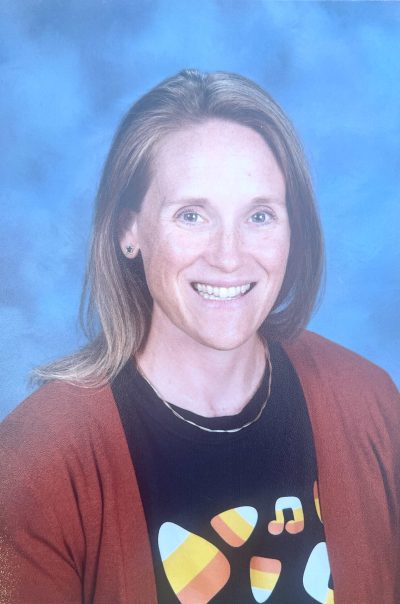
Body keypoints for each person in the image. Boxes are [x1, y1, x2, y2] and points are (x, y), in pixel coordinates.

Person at [0, 69, 399, 604]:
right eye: (192, 215)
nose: (229, 256)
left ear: (293, 227)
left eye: (260, 215)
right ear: (128, 231)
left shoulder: (370, 402)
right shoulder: (40, 460)